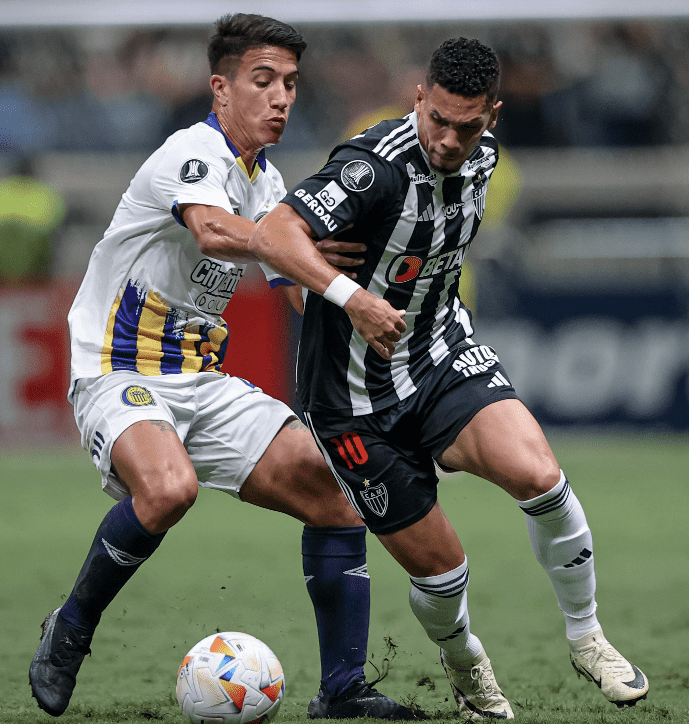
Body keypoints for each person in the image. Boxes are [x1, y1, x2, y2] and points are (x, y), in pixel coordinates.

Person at [248, 37, 648, 719]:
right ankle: (467, 665)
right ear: (418, 101)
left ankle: (588, 638)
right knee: (443, 569)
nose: (448, 139)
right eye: (437, 119)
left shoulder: (486, 160)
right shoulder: (371, 169)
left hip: (437, 356)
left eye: (467, 125)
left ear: (491, 115)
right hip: (350, 402)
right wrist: (348, 294)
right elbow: (274, 233)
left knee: (541, 478)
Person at [29, 14, 415, 720]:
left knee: (335, 492)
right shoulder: (192, 153)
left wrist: (373, 341)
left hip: (204, 381)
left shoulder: (266, 186)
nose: (281, 98)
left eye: (291, 84)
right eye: (263, 81)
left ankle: (342, 692)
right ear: (221, 87)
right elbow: (214, 231)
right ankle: (71, 627)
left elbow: (299, 289)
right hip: (119, 370)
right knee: (170, 489)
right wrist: (295, 252)